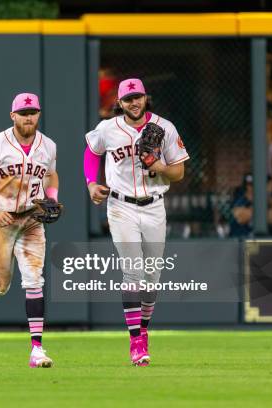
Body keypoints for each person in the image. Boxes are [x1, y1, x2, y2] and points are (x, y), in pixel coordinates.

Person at [84, 78, 189, 366]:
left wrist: (160, 167)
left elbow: (178, 172)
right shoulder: (108, 128)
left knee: (152, 278)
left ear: (146, 98)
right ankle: (135, 341)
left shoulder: (164, 127)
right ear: (119, 102)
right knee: (133, 272)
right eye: (128, 98)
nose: (134, 102)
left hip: (155, 206)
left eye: (138, 96)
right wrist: (92, 183)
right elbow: (91, 151)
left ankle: (142, 329)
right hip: (120, 206)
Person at [0, 93, 60, 368]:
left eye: (33, 112)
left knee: (34, 279)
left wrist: (51, 198)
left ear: (39, 114)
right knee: (0, 284)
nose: (28, 117)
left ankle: (37, 348)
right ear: (13, 116)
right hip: (0, 220)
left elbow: (52, 175)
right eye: (23, 112)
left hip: (31, 218)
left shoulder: (48, 146)